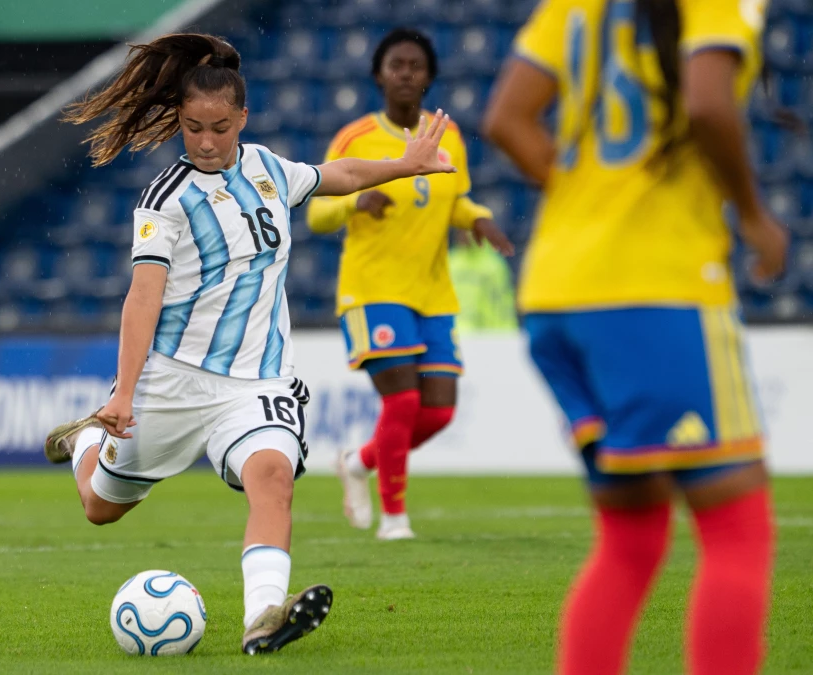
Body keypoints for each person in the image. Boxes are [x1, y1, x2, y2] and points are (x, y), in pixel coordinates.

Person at [42, 33, 457, 655]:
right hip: (174, 378)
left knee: (273, 476)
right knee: (100, 507)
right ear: (179, 121)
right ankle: (85, 443)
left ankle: (263, 616)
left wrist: (407, 163)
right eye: (192, 129)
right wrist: (123, 394)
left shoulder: (268, 168)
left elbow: (339, 175)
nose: (206, 143)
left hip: (258, 381)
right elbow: (142, 299)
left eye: (219, 128)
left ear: (242, 117)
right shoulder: (165, 201)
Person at [482, 0, 788, 673]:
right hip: (655, 293)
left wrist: (589, 199)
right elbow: (708, 103)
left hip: (555, 294)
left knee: (632, 540)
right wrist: (754, 215)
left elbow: (506, 117)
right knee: (736, 528)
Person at [306, 28, 515, 540]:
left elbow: (453, 198)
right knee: (402, 403)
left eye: (415, 65)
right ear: (378, 75)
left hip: (432, 292)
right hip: (373, 289)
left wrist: (478, 217)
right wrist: (356, 200)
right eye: (395, 64)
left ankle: (359, 461)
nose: (405, 73)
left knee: (438, 411)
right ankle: (394, 518)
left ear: (429, 76)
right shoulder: (356, 138)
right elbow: (316, 214)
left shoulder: (450, 135)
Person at [447, 229, 518, 335]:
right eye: (461, 231)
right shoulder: (451, 261)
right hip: (455, 332)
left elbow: (502, 304)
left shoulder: (493, 265)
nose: (463, 236)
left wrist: (506, 333)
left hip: (488, 334)